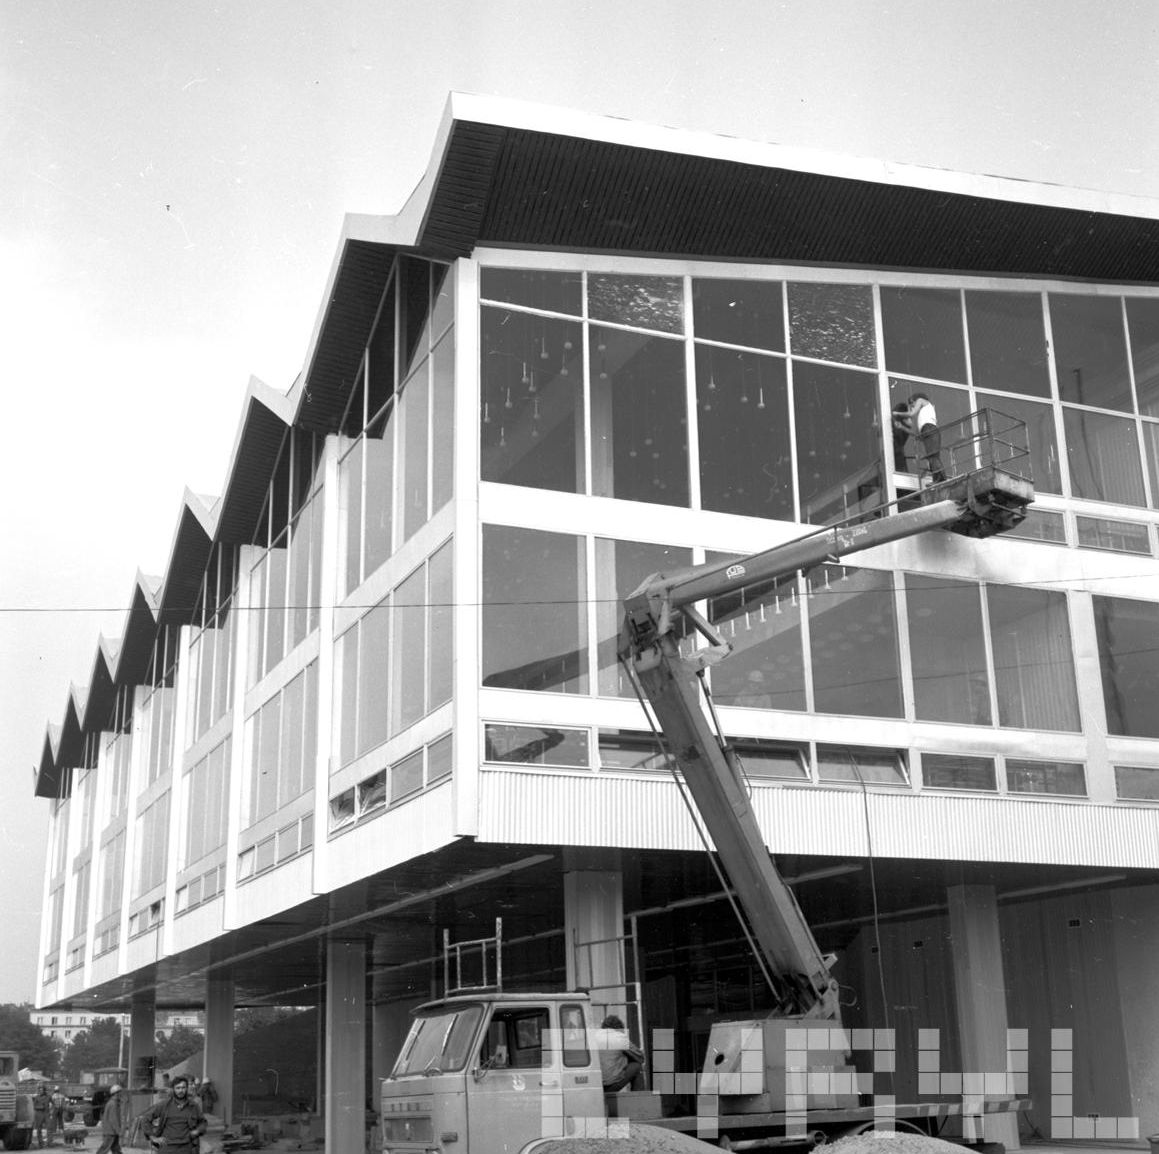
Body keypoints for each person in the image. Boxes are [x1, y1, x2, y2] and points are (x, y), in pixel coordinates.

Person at [138, 1074, 206, 1154]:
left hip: (186, 1148)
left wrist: (198, 1130)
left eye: (183, 1088)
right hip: (167, 1148)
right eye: (178, 1088)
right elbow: (145, 1118)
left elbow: (203, 1122)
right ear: (173, 1089)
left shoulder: (194, 1106)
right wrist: (153, 1137)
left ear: (186, 1088)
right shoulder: (164, 1105)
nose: (181, 1091)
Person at [593, 1014, 645, 1093]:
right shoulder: (619, 1036)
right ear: (619, 1027)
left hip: (595, 1085)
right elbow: (640, 1057)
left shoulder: (594, 1036)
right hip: (611, 1085)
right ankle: (638, 1099)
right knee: (636, 1066)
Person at [904, 392, 946, 483]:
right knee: (932, 457)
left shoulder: (921, 400)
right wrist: (902, 427)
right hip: (927, 430)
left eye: (912, 403)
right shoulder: (923, 414)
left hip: (929, 429)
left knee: (933, 456)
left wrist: (898, 414)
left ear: (915, 400)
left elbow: (912, 413)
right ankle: (938, 478)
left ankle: (940, 478)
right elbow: (916, 434)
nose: (912, 406)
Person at [94, 1084, 127, 1154]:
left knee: (116, 1150)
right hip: (110, 1132)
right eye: (120, 1093)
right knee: (104, 1149)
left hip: (111, 1131)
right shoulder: (113, 1104)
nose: (121, 1094)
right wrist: (119, 1131)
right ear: (116, 1094)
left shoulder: (113, 1103)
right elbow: (113, 1120)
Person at [31, 1084, 50, 1149]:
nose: (40, 1090)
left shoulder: (48, 1097)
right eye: (39, 1089)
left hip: (46, 1113)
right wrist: (40, 1107)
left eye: (42, 1089)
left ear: (44, 1090)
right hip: (39, 1114)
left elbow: (54, 1104)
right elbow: (34, 1106)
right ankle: (40, 1144)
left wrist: (52, 1111)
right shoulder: (36, 1097)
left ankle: (49, 1143)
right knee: (39, 1129)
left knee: (49, 1129)